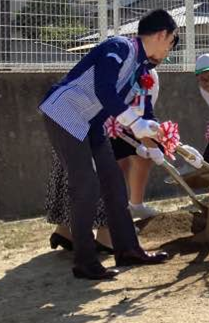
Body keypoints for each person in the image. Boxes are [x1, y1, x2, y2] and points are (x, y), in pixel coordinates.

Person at [39, 9, 177, 280]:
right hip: (65, 113)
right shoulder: (119, 46)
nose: (169, 50)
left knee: (113, 183)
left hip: (91, 123)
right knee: (86, 186)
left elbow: (143, 109)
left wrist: (155, 137)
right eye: (171, 42)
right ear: (162, 35)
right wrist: (135, 125)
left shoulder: (141, 67)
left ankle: (127, 250)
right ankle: (85, 261)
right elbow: (104, 89)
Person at [46, 71, 161, 253]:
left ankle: (64, 231)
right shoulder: (130, 77)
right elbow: (131, 118)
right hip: (85, 125)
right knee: (103, 176)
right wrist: (153, 146)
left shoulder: (117, 68)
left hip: (65, 119)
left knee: (71, 176)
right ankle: (106, 237)